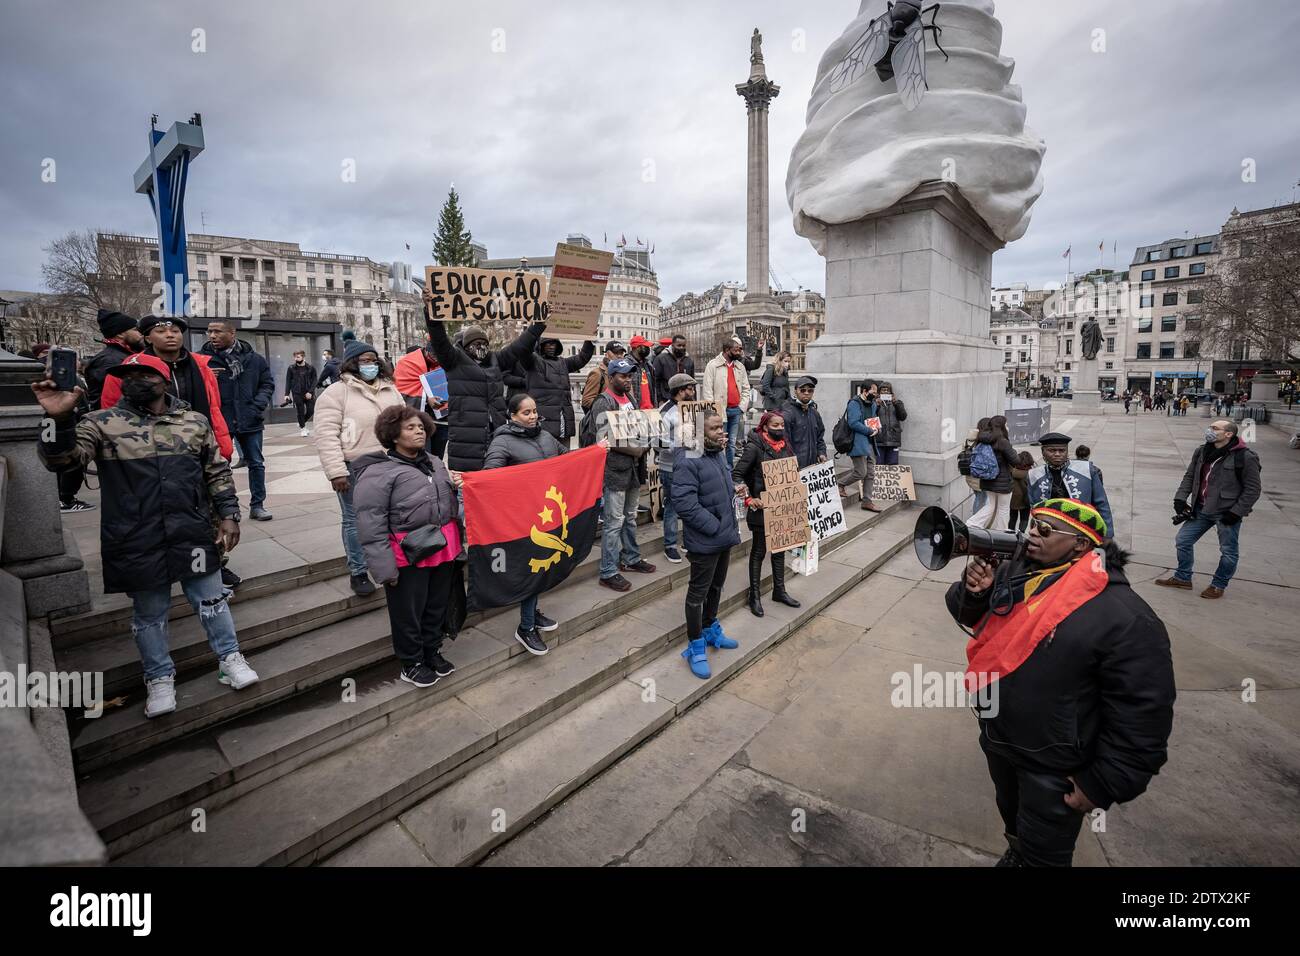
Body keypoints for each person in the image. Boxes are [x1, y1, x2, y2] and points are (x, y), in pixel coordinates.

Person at [946, 499, 1175, 866]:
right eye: (1034, 523)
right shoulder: (1016, 571)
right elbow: (969, 616)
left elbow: (1143, 716)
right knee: (1013, 815)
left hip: (1055, 764)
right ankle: (1016, 848)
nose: (1032, 533)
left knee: (1045, 855)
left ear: (1081, 545)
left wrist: (1102, 783)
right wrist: (976, 593)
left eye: (1046, 530)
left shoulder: (1126, 617)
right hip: (1000, 736)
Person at [33, 354, 258, 718]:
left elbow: (216, 471)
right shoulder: (101, 423)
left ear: (165, 379)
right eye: (128, 374)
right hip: (136, 536)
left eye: (144, 373)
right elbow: (60, 461)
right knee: (150, 613)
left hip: (191, 530)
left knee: (212, 600)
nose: (135, 379)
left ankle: (229, 658)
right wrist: (57, 418)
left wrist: (229, 515)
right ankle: (158, 677)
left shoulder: (193, 421)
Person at [353, 405, 464, 688]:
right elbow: (370, 524)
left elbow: (445, 503)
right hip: (406, 553)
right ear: (392, 435)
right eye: (410, 428)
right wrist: (383, 567)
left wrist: (456, 487)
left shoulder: (435, 462)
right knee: (408, 611)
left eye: (421, 427)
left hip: (443, 547)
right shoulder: (378, 472)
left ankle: (431, 650)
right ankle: (411, 661)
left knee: (436, 605)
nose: (419, 432)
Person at [312, 340, 405, 596]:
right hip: (355, 467)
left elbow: (404, 424)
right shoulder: (336, 393)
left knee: (391, 518)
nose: (370, 365)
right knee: (354, 521)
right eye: (364, 360)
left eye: (373, 360)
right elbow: (326, 435)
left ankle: (391, 564)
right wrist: (336, 471)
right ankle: (358, 571)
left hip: (391, 463)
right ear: (353, 363)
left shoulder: (390, 390)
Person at [483, 393, 567, 654]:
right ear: (512, 415)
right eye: (526, 413)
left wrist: (596, 452)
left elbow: (569, 459)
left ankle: (533, 612)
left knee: (542, 567)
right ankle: (526, 627)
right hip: (523, 519)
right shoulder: (503, 442)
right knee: (531, 570)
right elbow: (491, 477)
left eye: (534, 411)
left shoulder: (545, 436)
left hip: (547, 513)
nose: (532, 417)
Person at [1156, 418, 1261, 599]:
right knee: (1183, 540)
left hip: (1226, 512)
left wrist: (1236, 512)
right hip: (1201, 509)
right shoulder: (1202, 451)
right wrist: (1180, 498)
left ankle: (1218, 585)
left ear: (1228, 434)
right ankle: (1183, 577)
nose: (1209, 430)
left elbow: (1253, 489)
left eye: (1214, 428)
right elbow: (1190, 476)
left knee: (1228, 551)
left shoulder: (1245, 457)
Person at [427, 314, 546, 473]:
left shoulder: (496, 360)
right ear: (467, 345)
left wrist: (538, 325)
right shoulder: (453, 360)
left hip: (495, 432)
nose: (481, 347)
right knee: (468, 484)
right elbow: (439, 339)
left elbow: (520, 346)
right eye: (476, 343)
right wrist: (431, 313)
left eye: (484, 343)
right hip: (466, 435)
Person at [672, 411, 741, 680]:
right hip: (706, 539)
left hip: (724, 535)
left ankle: (712, 628)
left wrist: (735, 491)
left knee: (717, 586)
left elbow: (718, 490)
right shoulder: (688, 458)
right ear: (700, 433)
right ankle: (695, 644)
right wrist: (714, 526)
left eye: (721, 426)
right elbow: (685, 504)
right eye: (714, 428)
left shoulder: (718, 453)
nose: (721, 431)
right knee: (697, 595)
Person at [582, 357, 656, 592]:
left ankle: (631, 558)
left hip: (633, 468)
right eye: (623, 376)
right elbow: (605, 439)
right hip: (614, 470)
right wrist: (637, 449)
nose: (628, 379)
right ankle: (608, 571)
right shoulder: (603, 403)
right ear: (611, 377)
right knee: (614, 523)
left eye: (629, 375)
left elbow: (636, 426)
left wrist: (646, 439)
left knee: (630, 517)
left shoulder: (630, 399)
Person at [199, 321, 275, 521]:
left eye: (217, 331)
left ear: (232, 333)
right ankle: (226, 510)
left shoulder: (254, 359)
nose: (212, 335)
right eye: (210, 331)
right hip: (218, 422)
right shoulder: (201, 361)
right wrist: (205, 378)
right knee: (217, 466)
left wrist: (256, 406)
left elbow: (267, 384)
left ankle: (257, 505)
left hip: (249, 419)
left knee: (256, 463)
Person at [733, 410, 801, 618]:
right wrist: (749, 499)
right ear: (764, 427)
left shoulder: (786, 447)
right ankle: (755, 596)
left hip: (781, 509)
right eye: (775, 425)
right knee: (759, 551)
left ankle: (779, 591)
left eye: (782, 425)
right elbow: (736, 475)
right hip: (761, 510)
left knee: (779, 550)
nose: (780, 428)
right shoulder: (754, 448)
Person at [1026, 432, 1115, 537]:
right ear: (1043, 451)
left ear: (1067, 451)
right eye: (1052, 450)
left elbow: (1102, 504)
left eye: (1062, 450)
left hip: (1082, 531)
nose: (1057, 454)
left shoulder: (1087, 470)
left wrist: (1108, 535)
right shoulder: (1034, 475)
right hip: (1049, 533)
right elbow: (1034, 508)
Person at [513, 336, 596, 443]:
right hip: (543, 423)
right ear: (541, 346)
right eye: (547, 344)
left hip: (564, 422)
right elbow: (524, 350)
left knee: (566, 457)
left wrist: (589, 340)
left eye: (553, 343)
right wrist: (534, 332)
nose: (551, 346)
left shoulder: (563, 363)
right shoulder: (533, 362)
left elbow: (582, 358)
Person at [702, 336, 761, 469]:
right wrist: (713, 411)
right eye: (736, 350)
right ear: (727, 350)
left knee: (732, 442)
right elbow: (707, 390)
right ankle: (718, 468)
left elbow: (746, 388)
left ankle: (728, 468)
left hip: (736, 410)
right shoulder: (712, 365)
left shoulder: (740, 366)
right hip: (719, 411)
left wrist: (742, 407)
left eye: (740, 349)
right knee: (718, 440)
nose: (740, 352)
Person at [657, 373, 697, 564]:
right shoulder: (665, 412)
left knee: (691, 503)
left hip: (691, 464)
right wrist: (679, 445)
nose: (693, 391)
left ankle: (687, 541)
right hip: (670, 467)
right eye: (690, 388)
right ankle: (670, 545)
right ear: (680, 391)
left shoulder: (693, 408)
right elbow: (657, 442)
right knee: (672, 506)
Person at [393, 336, 450, 459]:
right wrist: (425, 400)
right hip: (416, 422)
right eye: (434, 355)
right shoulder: (406, 363)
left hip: (442, 422)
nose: (436, 359)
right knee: (421, 457)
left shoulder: (446, 363)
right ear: (426, 350)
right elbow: (399, 394)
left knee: (436, 460)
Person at [83, 308, 144, 409]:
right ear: (120, 334)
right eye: (135, 330)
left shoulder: (122, 355)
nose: (140, 333)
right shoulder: (109, 360)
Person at [834, 379, 879, 511]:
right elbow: (853, 423)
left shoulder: (872, 404)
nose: (875, 394)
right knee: (861, 472)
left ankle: (867, 501)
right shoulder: (854, 403)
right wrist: (869, 430)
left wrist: (877, 428)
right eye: (873, 391)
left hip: (871, 442)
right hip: (857, 443)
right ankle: (839, 484)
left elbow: (873, 419)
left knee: (870, 473)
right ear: (865, 391)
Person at [969, 415, 1017, 530]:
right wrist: (1014, 452)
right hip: (1003, 481)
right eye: (1006, 424)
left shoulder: (983, 439)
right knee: (1003, 508)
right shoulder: (1002, 442)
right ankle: (1001, 532)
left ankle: (972, 523)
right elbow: (1015, 461)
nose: (1007, 426)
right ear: (1001, 426)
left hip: (987, 479)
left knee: (990, 505)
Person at [782, 375, 828, 473]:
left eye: (810, 390)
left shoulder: (815, 413)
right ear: (795, 391)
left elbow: (820, 438)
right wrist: (791, 463)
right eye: (802, 390)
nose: (806, 393)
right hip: (794, 467)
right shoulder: (788, 412)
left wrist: (822, 453)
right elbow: (784, 441)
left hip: (812, 466)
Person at [581, 341, 627, 412]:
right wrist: (608, 409)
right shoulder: (597, 373)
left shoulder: (624, 373)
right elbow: (586, 401)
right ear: (607, 354)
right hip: (604, 419)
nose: (619, 356)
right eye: (616, 353)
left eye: (621, 353)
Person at [652, 334, 695, 402]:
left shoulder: (689, 361)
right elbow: (655, 381)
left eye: (683, 346)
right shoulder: (661, 359)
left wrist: (693, 399)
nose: (681, 348)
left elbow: (692, 381)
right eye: (679, 345)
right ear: (672, 345)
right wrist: (659, 399)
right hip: (666, 399)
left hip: (685, 400)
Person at [284, 349, 317, 436]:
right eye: (295, 357)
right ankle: (303, 428)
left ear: (303, 357)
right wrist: (286, 394)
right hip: (297, 393)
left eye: (298, 357)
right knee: (300, 411)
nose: (296, 359)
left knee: (311, 410)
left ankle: (301, 421)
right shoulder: (291, 368)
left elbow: (314, 381)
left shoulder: (310, 368)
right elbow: (288, 381)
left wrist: (310, 392)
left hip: (308, 393)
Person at [873, 381, 907, 465]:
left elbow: (903, 417)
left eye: (887, 390)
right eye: (883, 390)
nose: (885, 392)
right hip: (879, 439)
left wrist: (896, 403)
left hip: (893, 439)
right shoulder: (874, 403)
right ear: (879, 392)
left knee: (892, 465)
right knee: (879, 465)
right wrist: (876, 405)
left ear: (891, 392)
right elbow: (870, 418)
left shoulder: (897, 403)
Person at [627, 335, 659, 410]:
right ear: (637, 348)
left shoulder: (648, 364)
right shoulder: (627, 365)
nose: (648, 349)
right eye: (645, 346)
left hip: (651, 409)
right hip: (636, 411)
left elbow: (653, 389)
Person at [1007, 450, 1034, 532]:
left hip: (1013, 500)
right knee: (1024, 519)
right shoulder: (1030, 474)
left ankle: (1010, 533)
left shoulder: (1012, 471)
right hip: (1026, 501)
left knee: (1012, 518)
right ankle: (1021, 534)